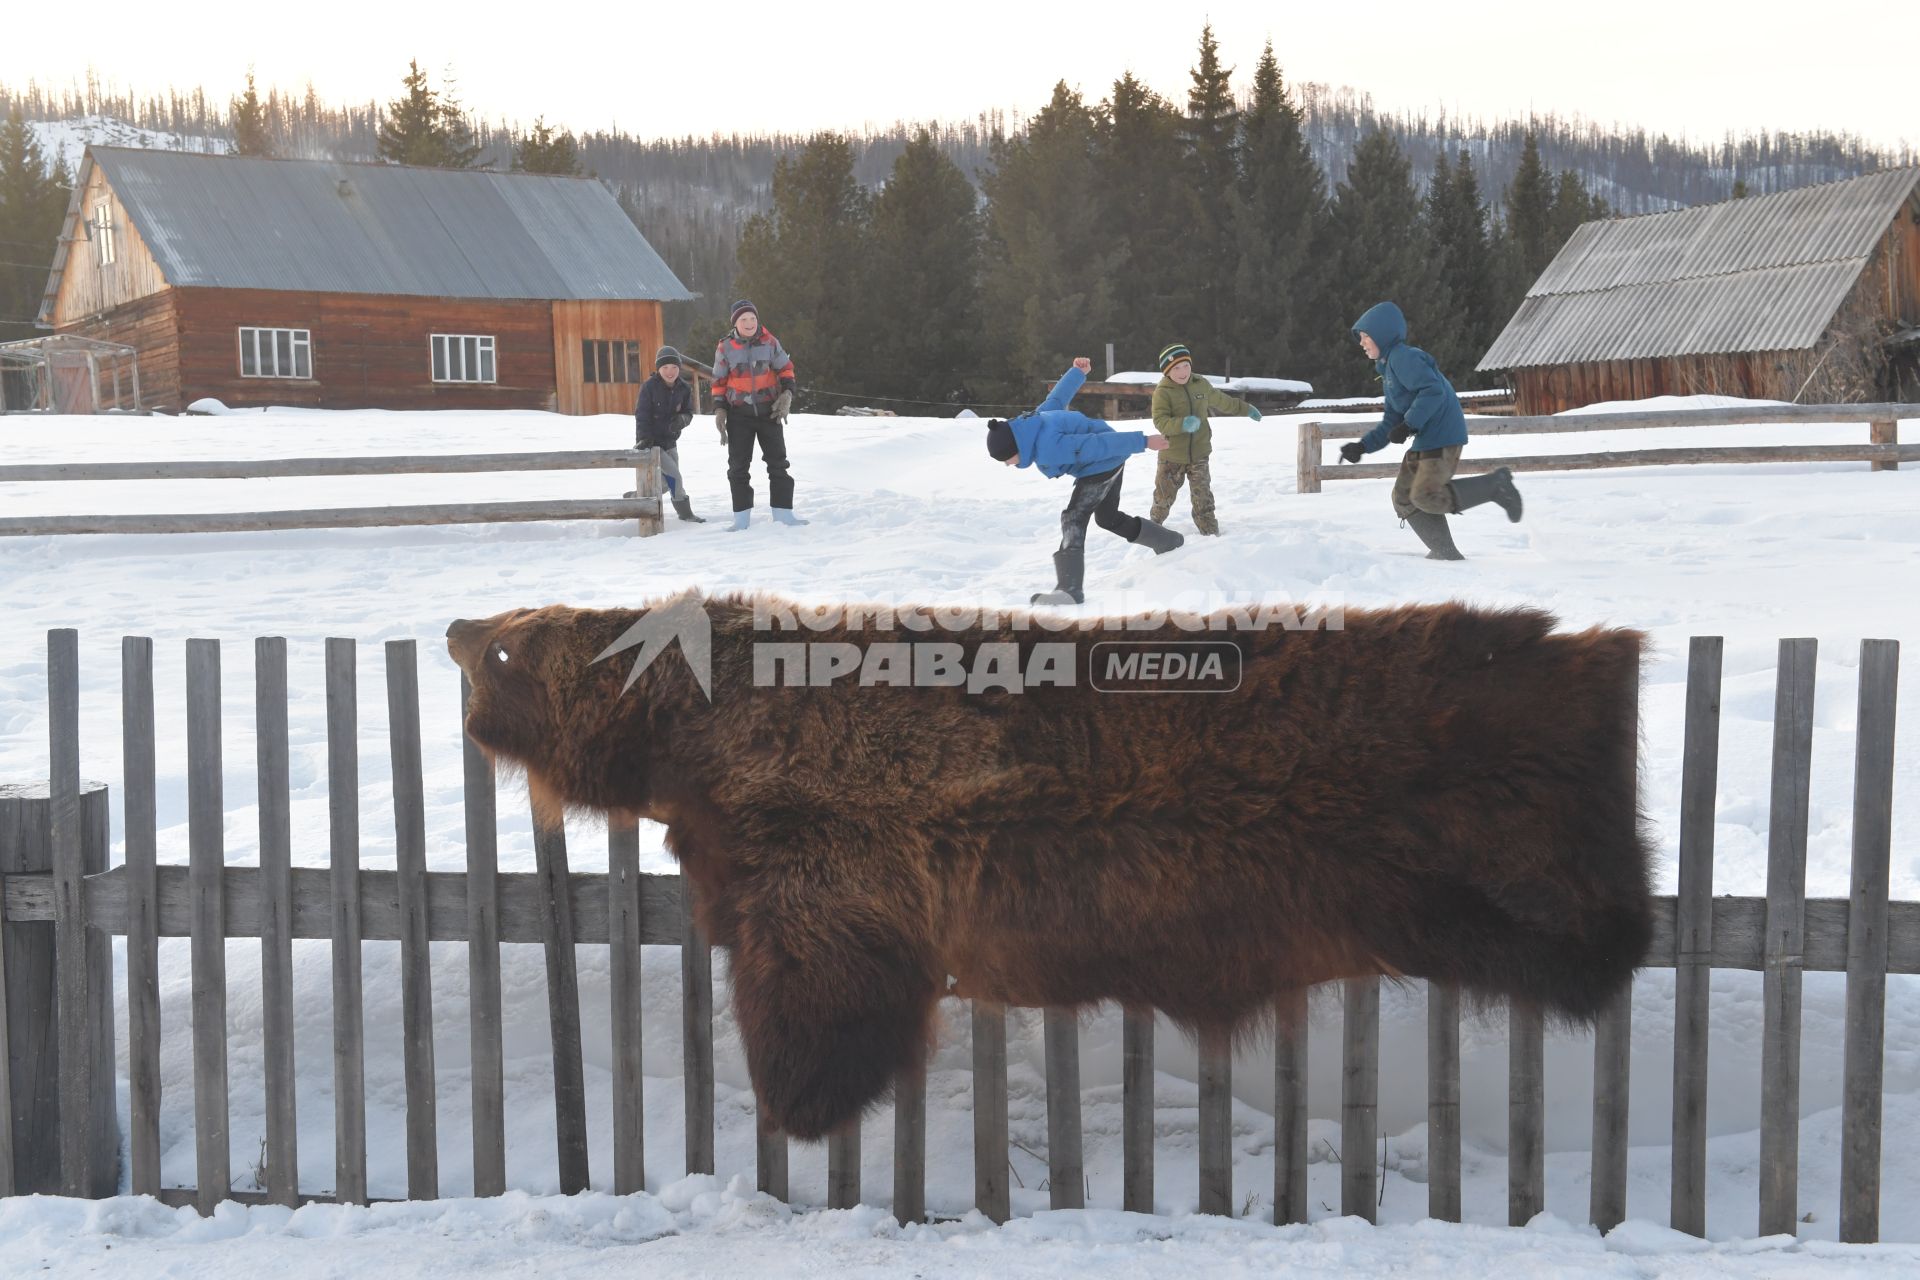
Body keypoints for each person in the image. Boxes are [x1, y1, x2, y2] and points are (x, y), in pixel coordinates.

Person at [986, 356, 1181, 605]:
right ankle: (1168, 541)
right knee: (1107, 518)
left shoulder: (1049, 446)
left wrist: (1143, 441)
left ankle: (1069, 589)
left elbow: (1096, 445)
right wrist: (1077, 373)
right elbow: (1056, 400)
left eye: (1006, 459)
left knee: (1074, 517)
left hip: (1101, 463)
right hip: (1109, 461)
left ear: (1015, 448)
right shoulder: (1032, 424)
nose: (1007, 465)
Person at [1339, 301, 1522, 559]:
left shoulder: (1404, 357)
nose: (1362, 343)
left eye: (1365, 337)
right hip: (1426, 437)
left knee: (1425, 496)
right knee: (1403, 498)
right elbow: (1392, 421)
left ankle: (1495, 486)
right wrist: (1362, 447)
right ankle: (1445, 552)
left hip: (1442, 435)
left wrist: (1410, 424)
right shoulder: (1389, 369)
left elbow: (1432, 390)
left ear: (1381, 335)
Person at [1148, 342, 1263, 536]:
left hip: (1199, 453)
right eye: (1176, 368)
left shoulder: (1200, 384)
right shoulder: (1163, 392)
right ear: (1167, 371)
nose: (1182, 371)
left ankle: (1209, 532)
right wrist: (1182, 424)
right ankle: (1153, 527)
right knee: (1163, 496)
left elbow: (1223, 401)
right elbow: (1160, 421)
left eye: (1186, 365)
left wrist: (1246, 409)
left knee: (1203, 497)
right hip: (1172, 455)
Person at [711, 299, 802, 530]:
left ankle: (784, 516)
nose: (749, 323)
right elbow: (719, 381)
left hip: (769, 412)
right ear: (735, 323)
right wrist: (720, 409)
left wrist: (788, 394)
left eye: (752, 318)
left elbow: (786, 369)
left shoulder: (770, 342)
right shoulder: (725, 347)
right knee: (738, 468)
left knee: (778, 464)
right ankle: (741, 520)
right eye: (744, 319)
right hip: (738, 416)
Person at [632, 345, 705, 523]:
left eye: (674, 367)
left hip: (671, 442)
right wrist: (644, 438)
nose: (670, 371)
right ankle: (685, 514)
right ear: (659, 369)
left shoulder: (684, 388)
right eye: (665, 368)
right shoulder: (649, 387)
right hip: (652, 443)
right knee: (675, 477)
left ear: (679, 368)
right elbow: (641, 414)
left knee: (665, 484)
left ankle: (632, 499)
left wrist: (682, 421)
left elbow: (688, 412)